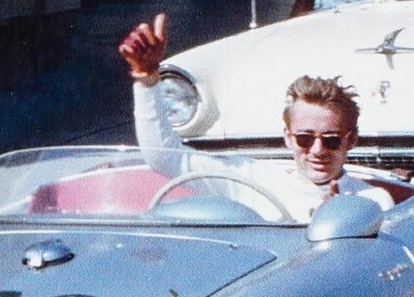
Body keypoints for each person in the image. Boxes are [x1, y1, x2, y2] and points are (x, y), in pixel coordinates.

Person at [118, 13, 396, 219]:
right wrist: (147, 81)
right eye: (304, 138)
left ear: (352, 140)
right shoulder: (254, 179)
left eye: (332, 140)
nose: (318, 150)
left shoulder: (372, 200)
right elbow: (165, 156)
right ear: (288, 137)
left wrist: (338, 220)